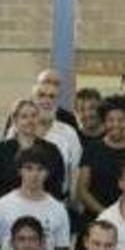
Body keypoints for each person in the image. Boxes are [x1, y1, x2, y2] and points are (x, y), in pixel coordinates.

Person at [0, 148, 71, 250]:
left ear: (47, 173)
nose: (34, 174)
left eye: (40, 169)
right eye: (29, 168)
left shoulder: (59, 209)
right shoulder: (1, 206)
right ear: (20, 171)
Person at [77, 95, 125, 219]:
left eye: (121, 120)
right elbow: (82, 190)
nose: (115, 124)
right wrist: (106, 214)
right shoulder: (92, 149)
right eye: (110, 120)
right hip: (96, 218)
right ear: (104, 122)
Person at [0, 99, 64, 202]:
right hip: (9, 210)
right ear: (15, 120)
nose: (29, 121)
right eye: (24, 117)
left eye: (33, 116)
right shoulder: (1, 151)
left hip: (43, 208)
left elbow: (56, 185)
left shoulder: (52, 150)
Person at [28, 79, 82, 210]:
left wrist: (73, 204)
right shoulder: (19, 130)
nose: (46, 101)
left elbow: (76, 173)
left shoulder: (69, 133)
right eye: (41, 95)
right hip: (24, 203)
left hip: (58, 204)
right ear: (32, 100)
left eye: (52, 96)